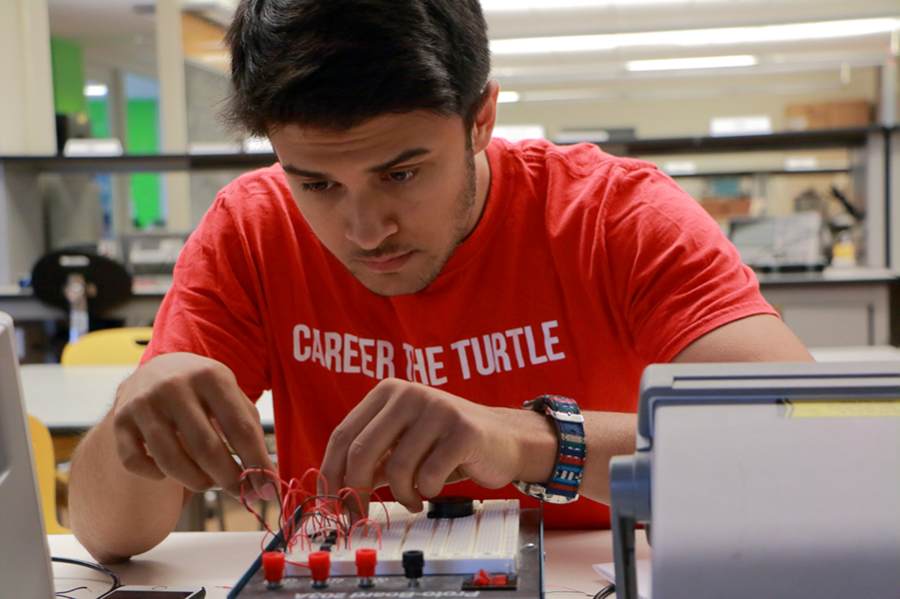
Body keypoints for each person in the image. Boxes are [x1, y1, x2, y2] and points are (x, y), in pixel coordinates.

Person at [67, 0, 812, 563]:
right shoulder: (252, 228)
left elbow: (801, 448)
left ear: (481, 118)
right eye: (318, 183)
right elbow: (106, 534)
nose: (364, 229)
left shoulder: (614, 216)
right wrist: (138, 411)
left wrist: (533, 441)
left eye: (401, 173)